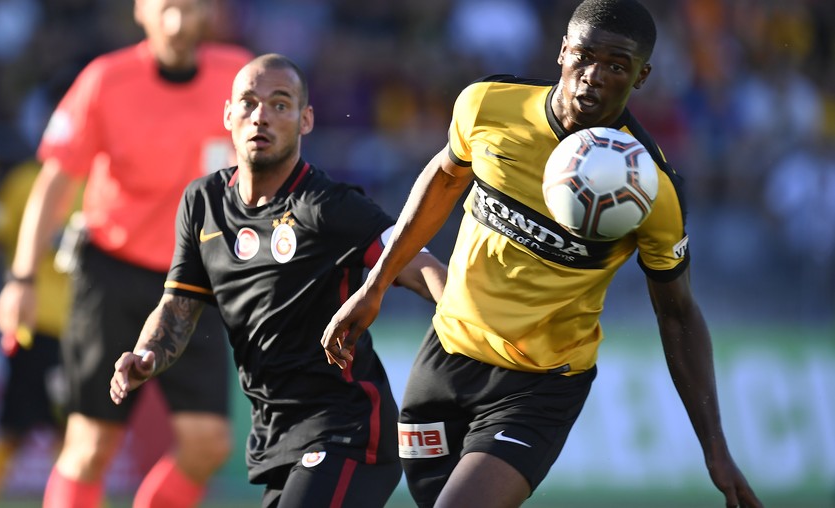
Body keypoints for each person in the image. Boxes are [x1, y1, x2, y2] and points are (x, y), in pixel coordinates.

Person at [321, 1, 764, 507]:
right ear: (561, 52)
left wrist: (716, 449)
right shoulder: (488, 106)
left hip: (539, 387)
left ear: (642, 77)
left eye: (616, 66)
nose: (593, 77)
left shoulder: (651, 190)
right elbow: (444, 180)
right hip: (445, 358)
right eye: (584, 57)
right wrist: (374, 286)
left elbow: (678, 314)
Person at [109, 53, 447, 508]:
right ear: (228, 114)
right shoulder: (202, 202)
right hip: (275, 434)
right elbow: (178, 306)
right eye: (248, 103)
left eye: (280, 104)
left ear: (306, 120)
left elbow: (414, 261)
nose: (261, 116)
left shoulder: (326, 205)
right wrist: (147, 354)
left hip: (346, 428)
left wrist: (478, 320)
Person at [0, 0, 253, 506]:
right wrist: (21, 279)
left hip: (192, 286)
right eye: (167, 7)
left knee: (208, 445)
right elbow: (55, 181)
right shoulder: (105, 80)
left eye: (191, 8)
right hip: (112, 274)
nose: (178, 21)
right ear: (141, 11)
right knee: (90, 445)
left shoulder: (239, 78)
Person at [0, 160, 73, 508]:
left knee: (42, 429)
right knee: (53, 430)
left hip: (44, 329)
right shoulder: (80, 185)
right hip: (47, 329)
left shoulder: (24, 181)